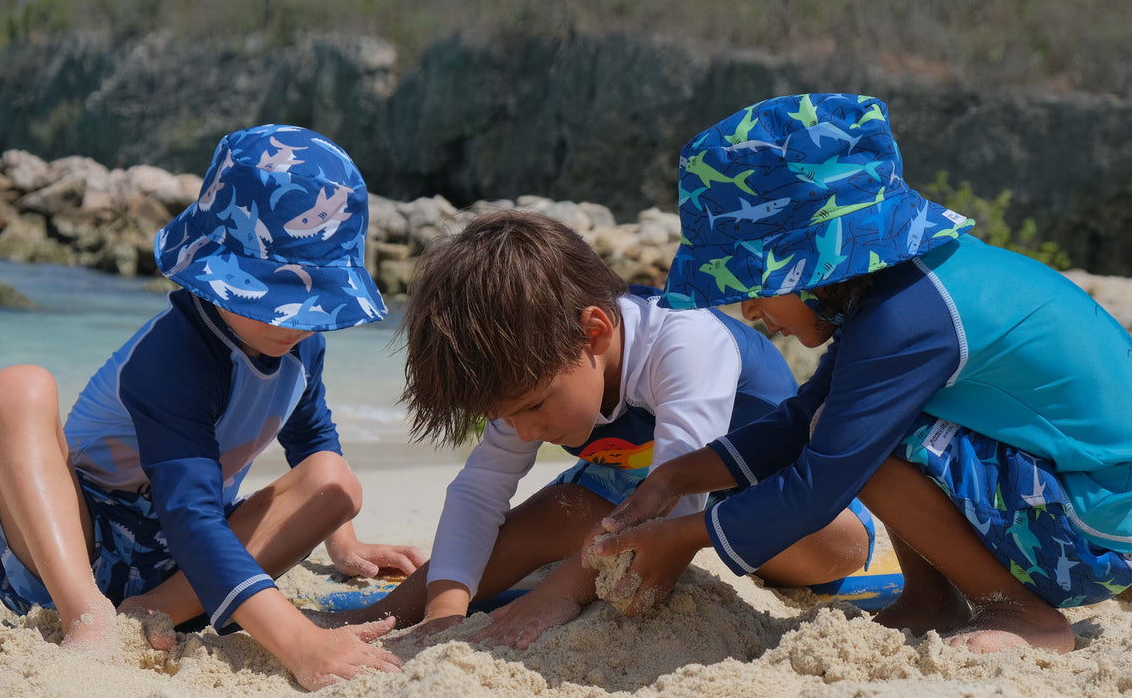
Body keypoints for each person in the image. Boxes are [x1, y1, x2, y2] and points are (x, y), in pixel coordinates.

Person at [590, 92, 1132, 655]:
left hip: (1092, 533)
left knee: (868, 437)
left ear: (815, 267)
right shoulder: (899, 291)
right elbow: (795, 421)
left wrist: (681, 537)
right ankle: (930, 600)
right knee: (844, 419)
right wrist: (671, 480)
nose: (750, 312)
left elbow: (821, 485)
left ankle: (1021, 613)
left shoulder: (909, 316)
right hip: (1098, 502)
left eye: (756, 287)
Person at [0, 124, 424, 690]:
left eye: (309, 304)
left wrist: (346, 542)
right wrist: (299, 643)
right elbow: (191, 514)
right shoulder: (175, 354)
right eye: (277, 299)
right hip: (71, 539)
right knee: (18, 387)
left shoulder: (303, 344)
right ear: (218, 273)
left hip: (179, 568)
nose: (293, 320)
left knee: (336, 481)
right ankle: (87, 614)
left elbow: (311, 438)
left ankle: (147, 613)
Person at [339, 208, 874, 649]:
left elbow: (679, 498)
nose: (523, 432)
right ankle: (387, 615)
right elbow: (478, 491)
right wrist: (444, 610)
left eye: (532, 408)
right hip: (640, 495)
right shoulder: (533, 372)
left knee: (836, 548)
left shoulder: (682, 342)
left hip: (775, 494)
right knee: (554, 515)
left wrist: (560, 593)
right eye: (505, 418)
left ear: (593, 333)